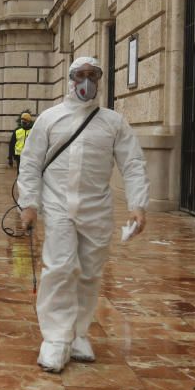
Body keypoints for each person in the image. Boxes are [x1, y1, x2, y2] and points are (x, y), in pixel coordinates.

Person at [17, 56, 149, 373]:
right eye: (80, 75)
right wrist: (29, 204)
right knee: (59, 268)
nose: (86, 82)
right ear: (70, 79)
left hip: (97, 207)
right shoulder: (50, 119)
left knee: (89, 272)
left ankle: (78, 334)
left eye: (92, 76)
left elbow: (132, 164)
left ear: (99, 81)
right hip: (58, 204)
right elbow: (31, 163)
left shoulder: (113, 123)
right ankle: (54, 339)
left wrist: (138, 204)